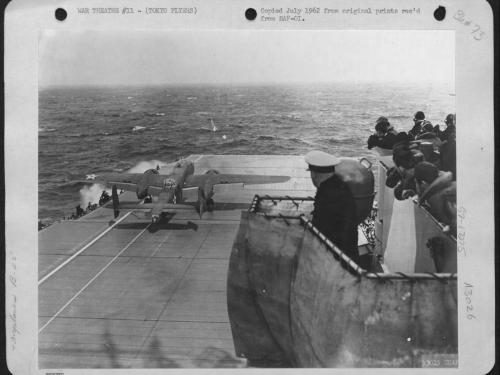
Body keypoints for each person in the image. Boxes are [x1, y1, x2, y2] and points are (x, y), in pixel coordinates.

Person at [305, 150, 359, 264]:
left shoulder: (326, 194)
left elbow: (320, 229)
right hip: (348, 255)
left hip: (336, 260)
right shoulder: (339, 186)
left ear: (314, 174)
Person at [414, 161, 456, 233]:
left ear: (423, 182)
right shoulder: (443, 188)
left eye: (416, 183)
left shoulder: (443, 195)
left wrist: (451, 227)